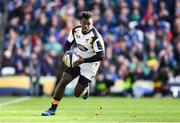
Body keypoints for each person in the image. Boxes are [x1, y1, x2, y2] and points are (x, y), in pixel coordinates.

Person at [41, 11, 105, 116]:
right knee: (63, 80)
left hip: (90, 65)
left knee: (76, 94)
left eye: (89, 23)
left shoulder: (96, 37)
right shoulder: (75, 31)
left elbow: (101, 56)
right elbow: (67, 45)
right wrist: (66, 54)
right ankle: (52, 109)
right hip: (77, 60)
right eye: (84, 23)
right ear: (80, 22)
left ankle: (85, 88)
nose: (87, 26)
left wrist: (83, 60)